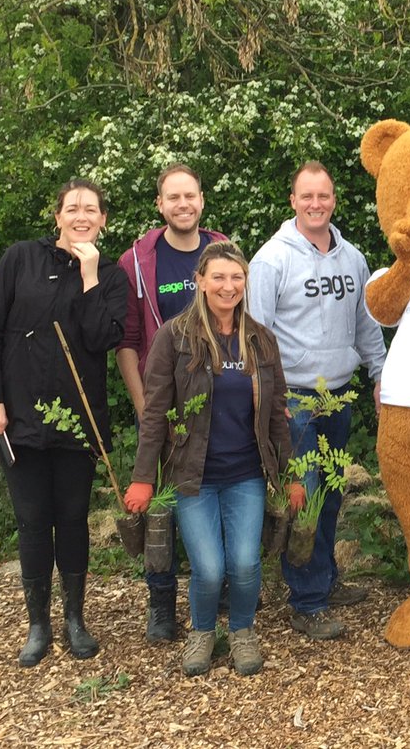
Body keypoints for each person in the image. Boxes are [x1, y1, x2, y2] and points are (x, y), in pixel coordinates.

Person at [0, 178, 129, 667]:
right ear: (57, 216)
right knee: (33, 522)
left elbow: (101, 337)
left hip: (78, 421)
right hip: (18, 417)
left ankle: (75, 620)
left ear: (103, 219)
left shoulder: (111, 273)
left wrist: (88, 275)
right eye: (73, 208)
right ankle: (38, 624)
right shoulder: (20, 259)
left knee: (73, 519)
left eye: (91, 210)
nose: (82, 216)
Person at [125, 241, 297, 677]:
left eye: (236, 277)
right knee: (208, 567)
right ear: (199, 282)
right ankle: (202, 633)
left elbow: (276, 414)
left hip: (245, 474)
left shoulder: (260, 340)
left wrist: (290, 474)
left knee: (243, 563)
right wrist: (144, 477)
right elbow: (155, 414)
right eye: (218, 277)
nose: (228, 286)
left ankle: (241, 631)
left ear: (245, 282)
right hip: (193, 476)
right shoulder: (174, 338)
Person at [249, 161, 387, 640]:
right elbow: (257, 335)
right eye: (306, 196)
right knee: (301, 498)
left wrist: (380, 372)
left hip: (339, 395)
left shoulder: (352, 259)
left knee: (330, 494)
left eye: (323, 196)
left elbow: (366, 323)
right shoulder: (271, 260)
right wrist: (270, 398)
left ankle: (324, 577)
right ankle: (306, 601)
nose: (316, 204)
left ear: (334, 200)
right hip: (297, 401)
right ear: (293, 201)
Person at [116, 163, 227, 643]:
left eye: (191, 196)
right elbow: (127, 342)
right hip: (164, 406)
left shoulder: (220, 249)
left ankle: (220, 591)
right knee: (160, 509)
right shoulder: (137, 262)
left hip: (220, 402)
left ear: (202, 201)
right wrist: (145, 409)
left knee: (217, 493)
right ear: (160, 205)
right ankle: (161, 602)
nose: (183, 205)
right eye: (173, 198)